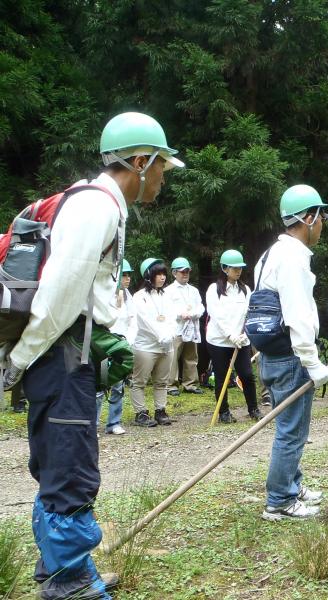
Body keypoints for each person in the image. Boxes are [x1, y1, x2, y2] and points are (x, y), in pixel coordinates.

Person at [1, 112, 183, 599]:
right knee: (71, 468)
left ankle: (63, 569)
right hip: (62, 356)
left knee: (59, 463)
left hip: (62, 355)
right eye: (162, 167)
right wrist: (19, 358)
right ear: (140, 162)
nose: (163, 177)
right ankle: (71, 584)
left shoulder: (96, 202)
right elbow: (60, 296)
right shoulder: (98, 207)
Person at [255, 184, 328, 520]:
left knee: (292, 427)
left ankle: (292, 484)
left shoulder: (273, 253)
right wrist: (312, 362)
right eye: (320, 218)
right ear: (308, 218)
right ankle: (280, 501)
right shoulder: (293, 260)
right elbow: (298, 314)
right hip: (290, 355)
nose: (322, 225)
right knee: (292, 430)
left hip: (275, 354)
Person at [205, 249, 261, 423]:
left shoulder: (245, 290)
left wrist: (245, 334)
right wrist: (230, 335)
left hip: (241, 341)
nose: (238, 271)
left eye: (240, 268)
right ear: (224, 268)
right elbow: (216, 315)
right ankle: (224, 412)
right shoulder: (214, 289)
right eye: (234, 267)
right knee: (222, 377)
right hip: (219, 341)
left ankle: (254, 409)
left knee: (246, 374)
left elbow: (249, 313)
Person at [131, 258, 175, 427]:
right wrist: (160, 335)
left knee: (162, 381)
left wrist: (169, 335)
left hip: (166, 345)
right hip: (146, 345)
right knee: (140, 380)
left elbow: (173, 318)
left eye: (164, 274)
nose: (162, 277)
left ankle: (160, 410)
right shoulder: (139, 297)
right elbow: (146, 321)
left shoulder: (167, 295)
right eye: (158, 274)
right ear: (149, 276)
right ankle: (140, 412)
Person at [95, 259, 137, 435]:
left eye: (128, 275)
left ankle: (114, 422)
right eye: (124, 275)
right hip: (103, 345)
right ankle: (93, 423)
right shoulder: (103, 293)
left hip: (121, 346)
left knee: (118, 386)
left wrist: (128, 341)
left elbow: (133, 320)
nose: (127, 279)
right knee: (98, 386)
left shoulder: (128, 296)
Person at [165, 257, 205, 396]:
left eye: (187, 271)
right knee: (173, 357)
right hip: (176, 328)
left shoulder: (193, 290)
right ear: (174, 273)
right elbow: (166, 309)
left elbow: (200, 307)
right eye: (182, 272)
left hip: (192, 327)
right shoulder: (168, 290)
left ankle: (190, 384)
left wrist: (193, 314)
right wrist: (180, 314)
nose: (185, 274)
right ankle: (171, 385)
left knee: (191, 356)